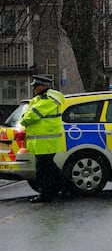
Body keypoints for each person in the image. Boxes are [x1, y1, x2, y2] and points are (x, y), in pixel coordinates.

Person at [20, 74, 66, 203]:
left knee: (43, 169)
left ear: (43, 86)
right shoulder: (43, 98)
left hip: (46, 141)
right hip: (44, 141)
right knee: (49, 167)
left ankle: (46, 194)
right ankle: (63, 185)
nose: (34, 89)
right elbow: (30, 111)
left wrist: (23, 119)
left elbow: (31, 115)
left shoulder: (48, 100)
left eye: (36, 86)